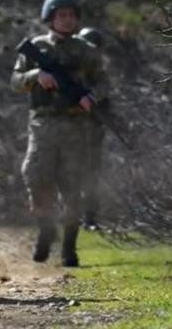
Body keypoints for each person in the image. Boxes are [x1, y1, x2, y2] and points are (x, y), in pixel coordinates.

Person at [10, 0, 108, 267]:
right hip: (43, 124)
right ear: (50, 18)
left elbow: (104, 82)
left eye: (71, 16)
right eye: (61, 15)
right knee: (35, 176)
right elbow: (15, 81)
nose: (67, 20)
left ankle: (69, 247)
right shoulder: (37, 47)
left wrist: (92, 97)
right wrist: (35, 76)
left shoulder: (86, 51)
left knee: (72, 186)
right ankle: (45, 228)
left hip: (76, 126)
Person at [77, 26, 107, 230]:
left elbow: (104, 94)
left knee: (91, 175)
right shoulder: (72, 69)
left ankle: (89, 218)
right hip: (68, 128)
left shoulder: (99, 73)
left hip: (92, 130)